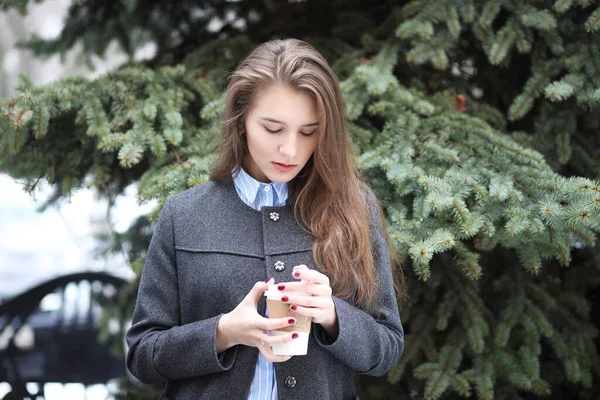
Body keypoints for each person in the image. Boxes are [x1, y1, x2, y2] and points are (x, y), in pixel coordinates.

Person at [126, 38, 405, 400]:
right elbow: (143, 355)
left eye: (308, 132)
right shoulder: (184, 215)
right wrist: (225, 332)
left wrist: (333, 315)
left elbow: (387, 349)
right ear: (241, 121)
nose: (290, 150)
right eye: (273, 129)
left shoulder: (353, 209)